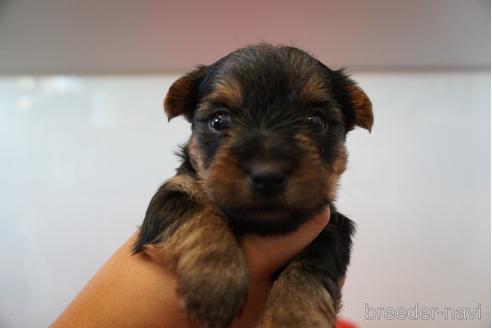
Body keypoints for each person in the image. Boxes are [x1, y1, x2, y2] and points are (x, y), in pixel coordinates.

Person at [52, 208, 333, 327]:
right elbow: (167, 214)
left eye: (313, 121)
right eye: (220, 121)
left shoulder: (327, 224)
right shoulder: (182, 194)